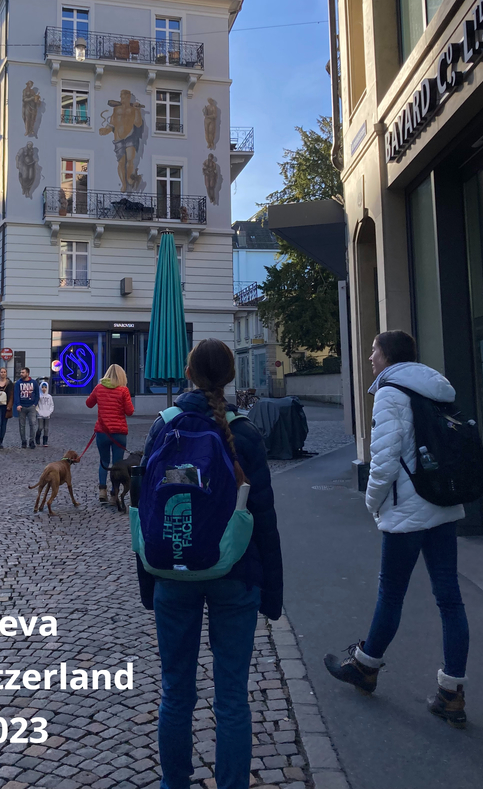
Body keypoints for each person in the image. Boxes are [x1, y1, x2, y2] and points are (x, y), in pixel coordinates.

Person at [138, 338, 283, 789]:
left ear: (189, 374)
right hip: (236, 572)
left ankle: (174, 784)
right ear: (231, 377)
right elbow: (265, 519)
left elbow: (147, 511)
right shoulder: (246, 433)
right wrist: (272, 593)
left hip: (173, 571)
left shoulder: (163, 426)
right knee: (233, 698)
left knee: (175, 693)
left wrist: (149, 583)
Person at [324, 330, 469, 728]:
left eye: (374, 350)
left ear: (388, 354)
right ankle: (452, 692)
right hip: (442, 502)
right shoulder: (436, 389)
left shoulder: (391, 393)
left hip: (407, 510)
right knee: (450, 600)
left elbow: (384, 461)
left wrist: (371, 502)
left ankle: (365, 667)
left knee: (391, 594)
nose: (370, 357)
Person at [85, 364, 134, 504]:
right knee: (117, 464)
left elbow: (89, 403)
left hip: (102, 432)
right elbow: (130, 411)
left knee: (104, 461)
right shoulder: (123, 390)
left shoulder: (99, 388)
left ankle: (102, 490)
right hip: (119, 432)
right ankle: (114, 494)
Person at [14, 367, 40, 448]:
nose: (21, 374)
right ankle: (23, 441)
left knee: (33, 424)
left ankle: (32, 441)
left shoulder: (34, 382)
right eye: (21, 372)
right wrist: (18, 404)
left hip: (31, 406)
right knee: (22, 425)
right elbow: (16, 395)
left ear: (27, 373)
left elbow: (37, 394)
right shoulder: (18, 383)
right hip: (22, 406)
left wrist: (35, 404)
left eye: (23, 372)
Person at [35, 380, 54, 447]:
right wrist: (38, 411)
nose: (44, 389)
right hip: (40, 414)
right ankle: (37, 437)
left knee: (46, 428)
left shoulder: (49, 397)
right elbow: (36, 405)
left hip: (47, 414)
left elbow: (51, 405)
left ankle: (45, 441)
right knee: (40, 427)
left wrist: (49, 412)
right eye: (42, 387)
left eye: (45, 387)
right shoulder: (38, 396)